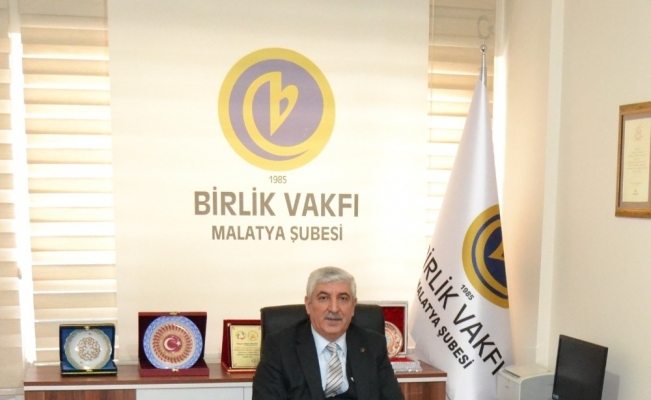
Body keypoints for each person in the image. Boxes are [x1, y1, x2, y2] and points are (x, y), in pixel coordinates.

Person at [252, 266, 405, 400]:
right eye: (324, 298)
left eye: (343, 298)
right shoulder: (279, 348)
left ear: (353, 307)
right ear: (308, 305)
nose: (334, 308)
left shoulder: (373, 345)